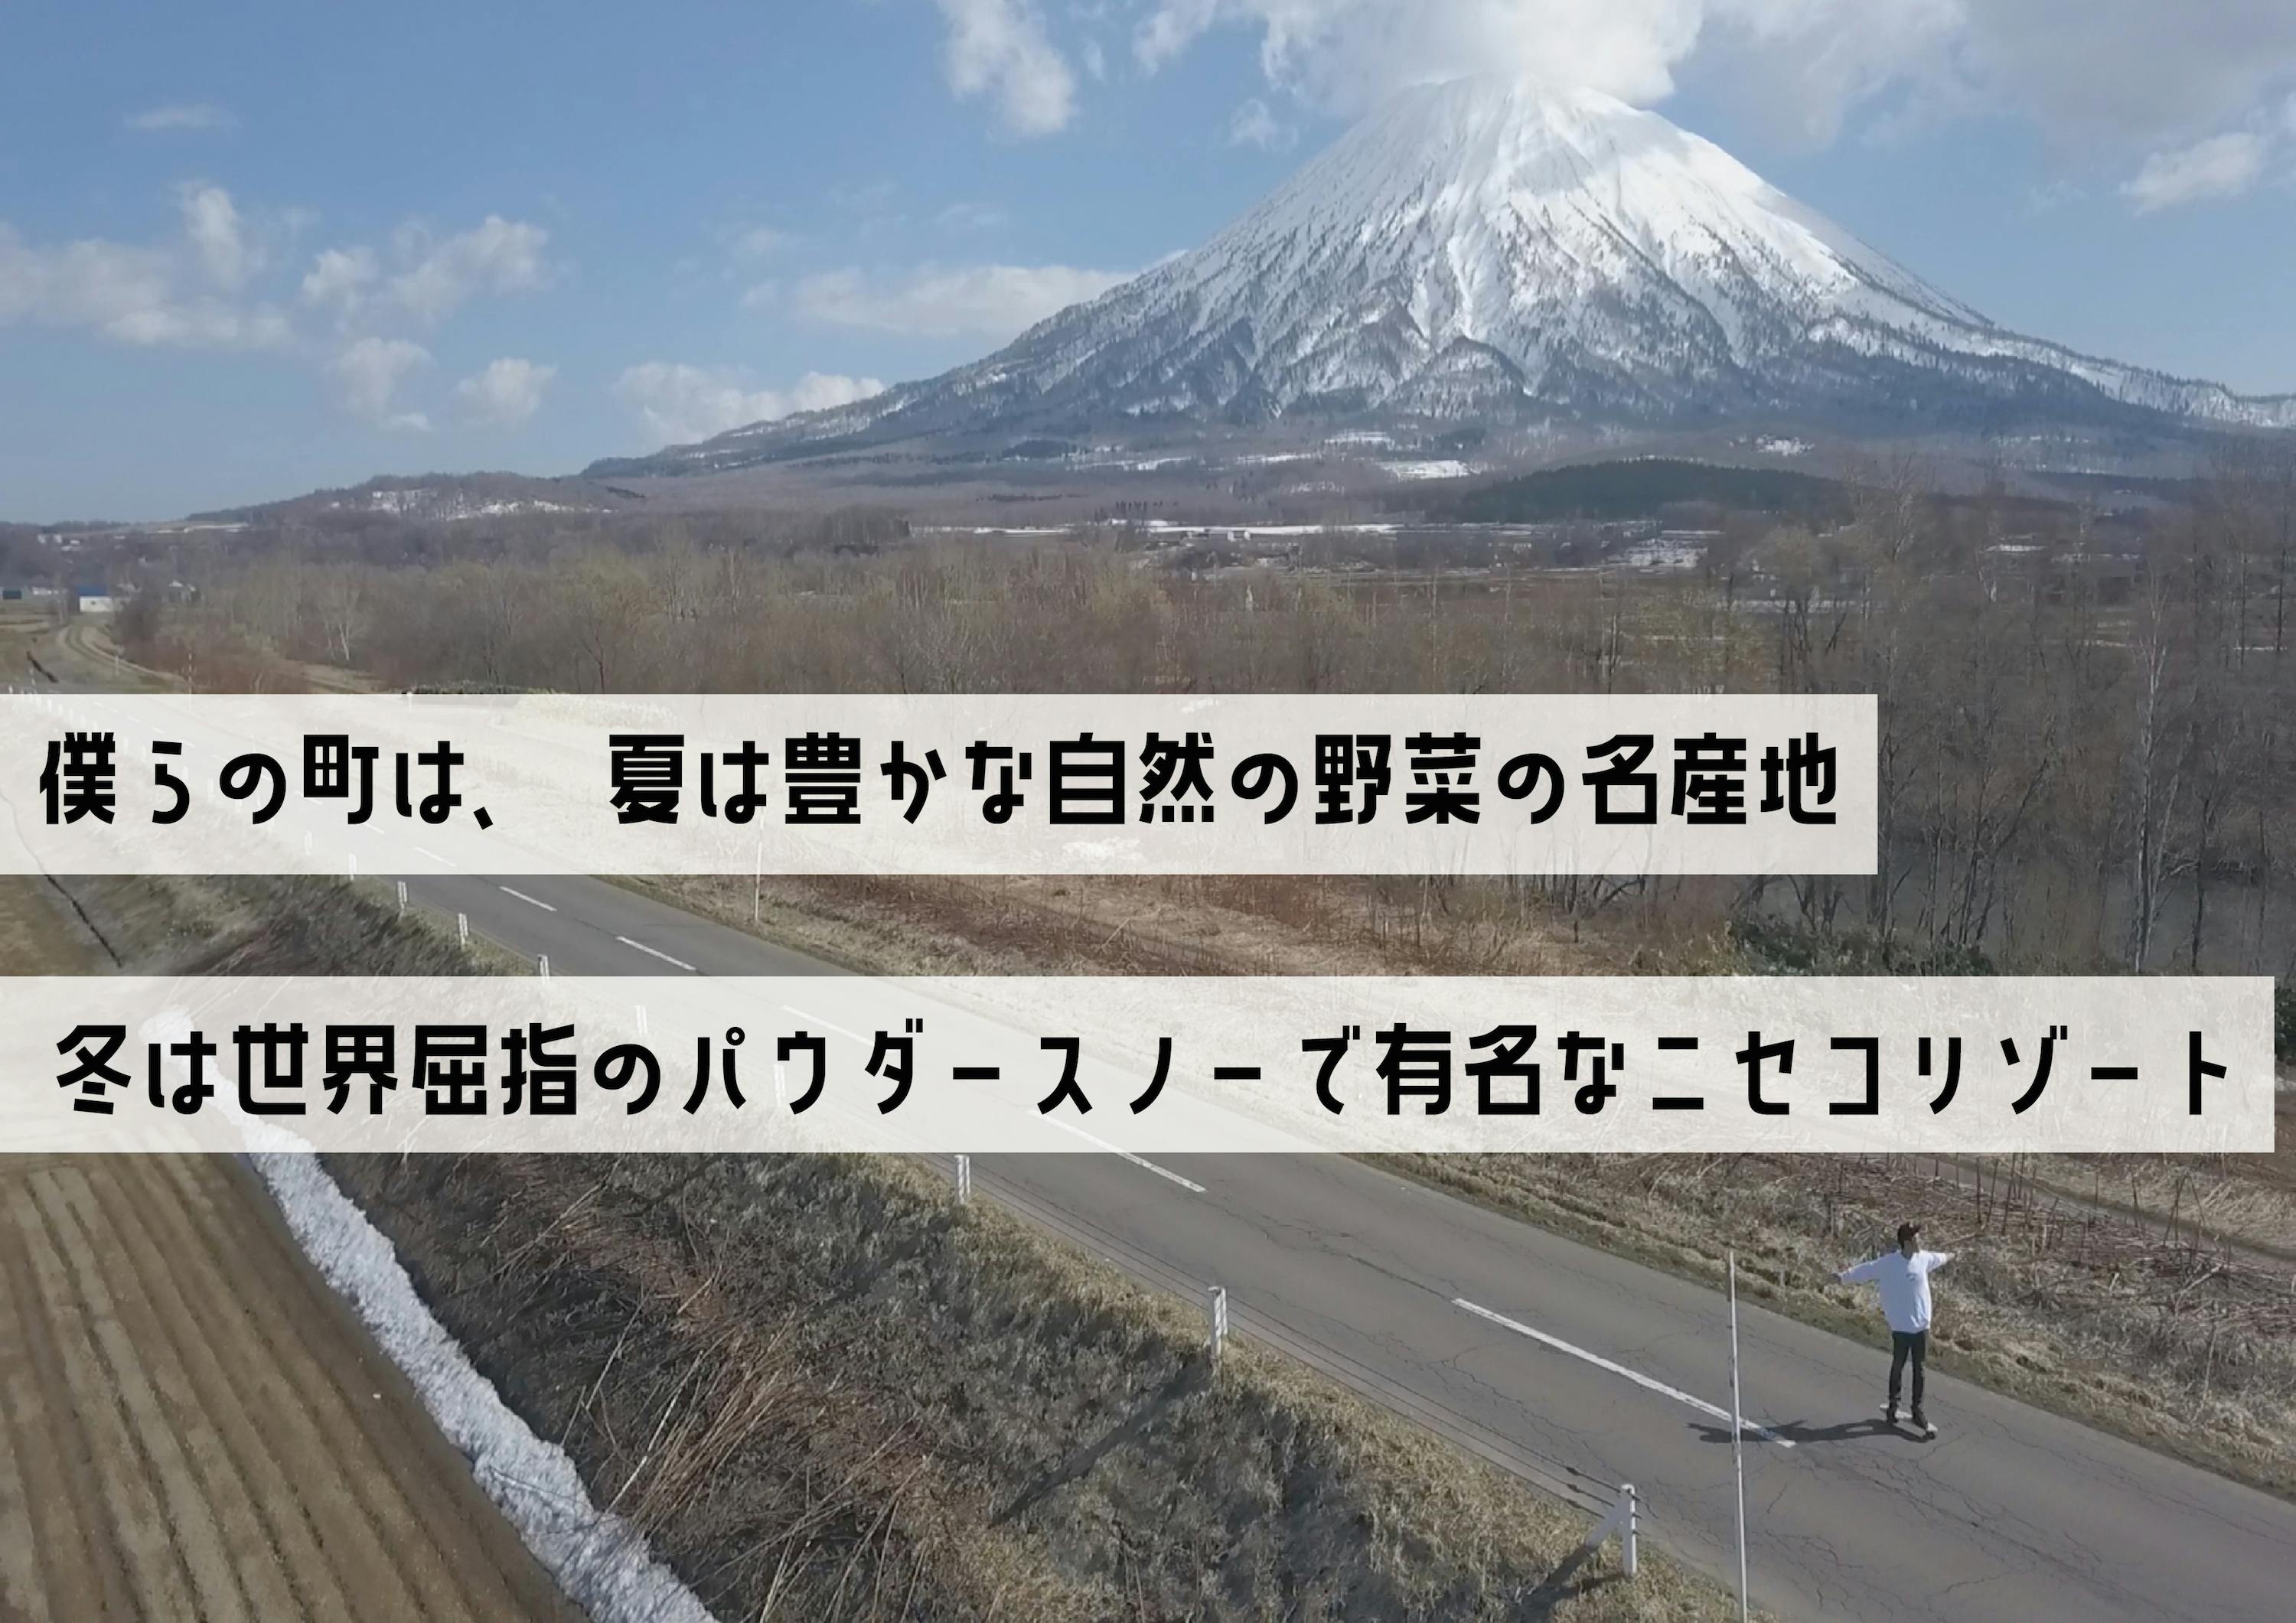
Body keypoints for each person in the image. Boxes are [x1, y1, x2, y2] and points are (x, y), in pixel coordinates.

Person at [1837, 1221, 1956, 1436]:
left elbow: (1941, 1258)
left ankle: (1917, 1411)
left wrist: (1954, 1254)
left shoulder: (1923, 1259)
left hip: (1922, 1328)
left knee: (1919, 1369)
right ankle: (1894, 1405)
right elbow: (1865, 1270)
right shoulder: (1889, 1264)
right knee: (1898, 1366)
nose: (1920, 1240)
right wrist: (1842, 1277)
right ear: (1908, 1241)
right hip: (1901, 1327)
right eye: (1917, 1237)